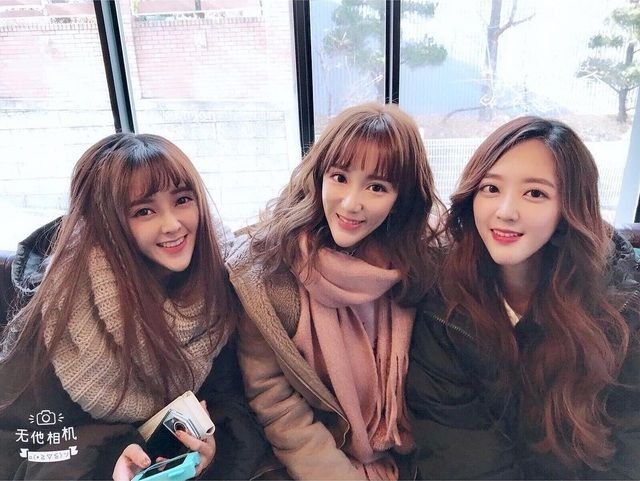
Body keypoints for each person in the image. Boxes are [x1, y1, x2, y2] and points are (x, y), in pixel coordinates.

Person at [0, 133, 265, 480]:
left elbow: (237, 399)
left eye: (183, 199)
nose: (173, 225)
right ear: (106, 225)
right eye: (144, 211)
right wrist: (107, 461)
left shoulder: (220, 279)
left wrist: (215, 447)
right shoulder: (62, 308)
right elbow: (17, 446)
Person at [406, 116, 640, 479]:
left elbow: (629, 448)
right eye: (491, 188)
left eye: (535, 193)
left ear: (569, 208)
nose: (505, 211)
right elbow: (460, 454)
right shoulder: (443, 302)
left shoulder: (621, 307)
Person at [226, 102, 443, 480]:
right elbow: (277, 404)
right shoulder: (268, 272)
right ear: (319, 176)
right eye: (340, 177)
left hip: (411, 458)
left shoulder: (424, 265)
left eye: (377, 187)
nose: (351, 203)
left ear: (401, 198)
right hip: (319, 463)